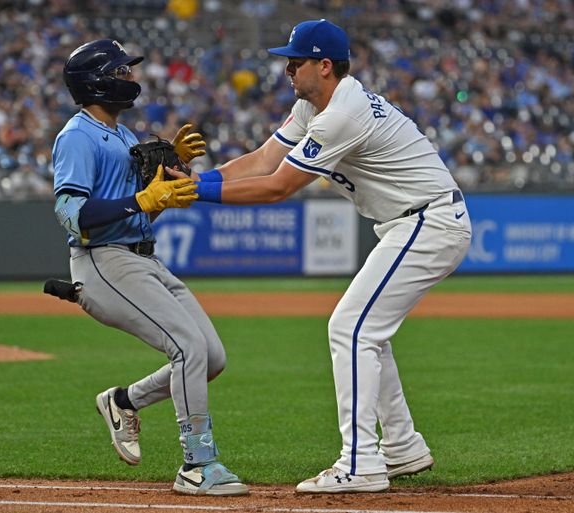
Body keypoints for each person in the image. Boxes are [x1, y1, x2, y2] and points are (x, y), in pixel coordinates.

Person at [181, 19, 472, 493]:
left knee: (349, 327)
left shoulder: (344, 113)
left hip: (429, 221)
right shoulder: (312, 104)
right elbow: (261, 161)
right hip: (414, 222)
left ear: (325, 65)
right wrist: (195, 181)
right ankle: (401, 446)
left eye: (296, 61)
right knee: (366, 330)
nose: (287, 68)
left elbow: (278, 187)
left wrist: (194, 195)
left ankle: (360, 463)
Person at [51, 39, 248, 496]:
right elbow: (71, 214)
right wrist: (142, 197)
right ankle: (198, 464)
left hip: (143, 255)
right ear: (95, 82)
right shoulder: (76, 136)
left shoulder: (122, 136)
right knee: (187, 348)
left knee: (211, 358)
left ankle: (122, 402)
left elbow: (139, 213)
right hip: (103, 262)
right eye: (120, 72)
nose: (128, 78)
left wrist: (170, 172)